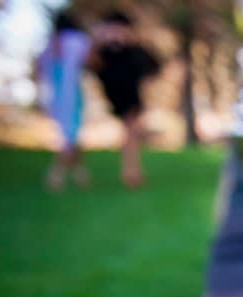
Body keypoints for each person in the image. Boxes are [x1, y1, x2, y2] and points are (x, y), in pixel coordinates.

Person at [88, 11, 159, 188]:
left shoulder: (134, 50)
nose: (116, 33)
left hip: (131, 98)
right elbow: (91, 65)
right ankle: (131, 172)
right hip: (113, 97)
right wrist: (97, 41)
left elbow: (152, 68)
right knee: (130, 134)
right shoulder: (103, 51)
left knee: (131, 133)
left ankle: (131, 172)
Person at [37, 12, 92, 190]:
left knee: (69, 134)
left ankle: (80, 175)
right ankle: (56, 175)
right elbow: (90, 60)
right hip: (72, 92)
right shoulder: (78, 40)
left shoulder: (51, 44)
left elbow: (41, 69)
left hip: (55, 94)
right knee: (70, 135)